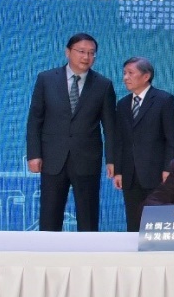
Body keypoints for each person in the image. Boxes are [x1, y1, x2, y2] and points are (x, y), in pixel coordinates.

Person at [26, 32, 116, 231]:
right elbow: (35, 120)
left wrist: (112, 159)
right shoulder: (46, 79)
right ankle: (49, 251)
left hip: (87, 159)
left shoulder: (103, 85)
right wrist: (34, 154)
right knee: (50, 217)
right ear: (68, 52)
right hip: (52, 158)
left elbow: (110, 127)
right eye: (81, 51)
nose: (86, 57)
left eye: (91, 53)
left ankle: (88, 252)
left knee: (88, 218)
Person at [112, 57, 174, 232]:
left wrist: (169, 168)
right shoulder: (123, 104)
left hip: (156, 173)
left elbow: (173, 139)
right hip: (130, 174)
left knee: (157, 221)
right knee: (133, 222)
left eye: (130, 73)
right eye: (124, 73)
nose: (125, 78)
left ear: (146, 76)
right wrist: (119, 171)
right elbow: (119, 140)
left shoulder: (164, 100)